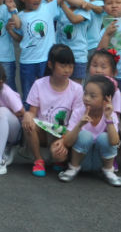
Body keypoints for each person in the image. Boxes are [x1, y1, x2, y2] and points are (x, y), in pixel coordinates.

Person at [21, 45, 83, 177]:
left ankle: (60, 159)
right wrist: (27, 115)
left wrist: (64, 140)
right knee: (29, 122)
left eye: (70, 66)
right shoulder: (39, 84)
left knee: (60, 153)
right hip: (43, 131)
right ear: (50, 64)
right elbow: (33, 112)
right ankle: (38, 160)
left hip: (63, 133)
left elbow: (75, 120)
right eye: (63, 66)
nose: (67, 70)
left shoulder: (77, 89)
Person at [56, 75, 121, 186]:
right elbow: (67, 142)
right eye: (85, 93)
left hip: (100, 163)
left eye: (92, 96)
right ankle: (73, 168)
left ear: (106, 99)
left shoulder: (111, 115)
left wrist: (108, 119)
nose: (86, 98)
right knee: (85, 135)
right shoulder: (79, 112)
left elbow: (114, 142)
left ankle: (109, 171)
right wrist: (80, 125)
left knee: (104, 137)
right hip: (82, 161)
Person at [7, 0, 60, 103]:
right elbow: (20, 38)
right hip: (27, 61)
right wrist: (10, 31)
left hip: (46, 60)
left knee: (48, 92)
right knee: (28, 94)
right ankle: (28, 114)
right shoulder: (20, 16)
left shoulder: (48, 8)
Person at [56, 0, 91, 80]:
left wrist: (63, 4)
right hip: (61, 55)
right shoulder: (59, 9)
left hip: (78, 56)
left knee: (77, 86)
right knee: (62, 84)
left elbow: (74, 19)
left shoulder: (85, 10)